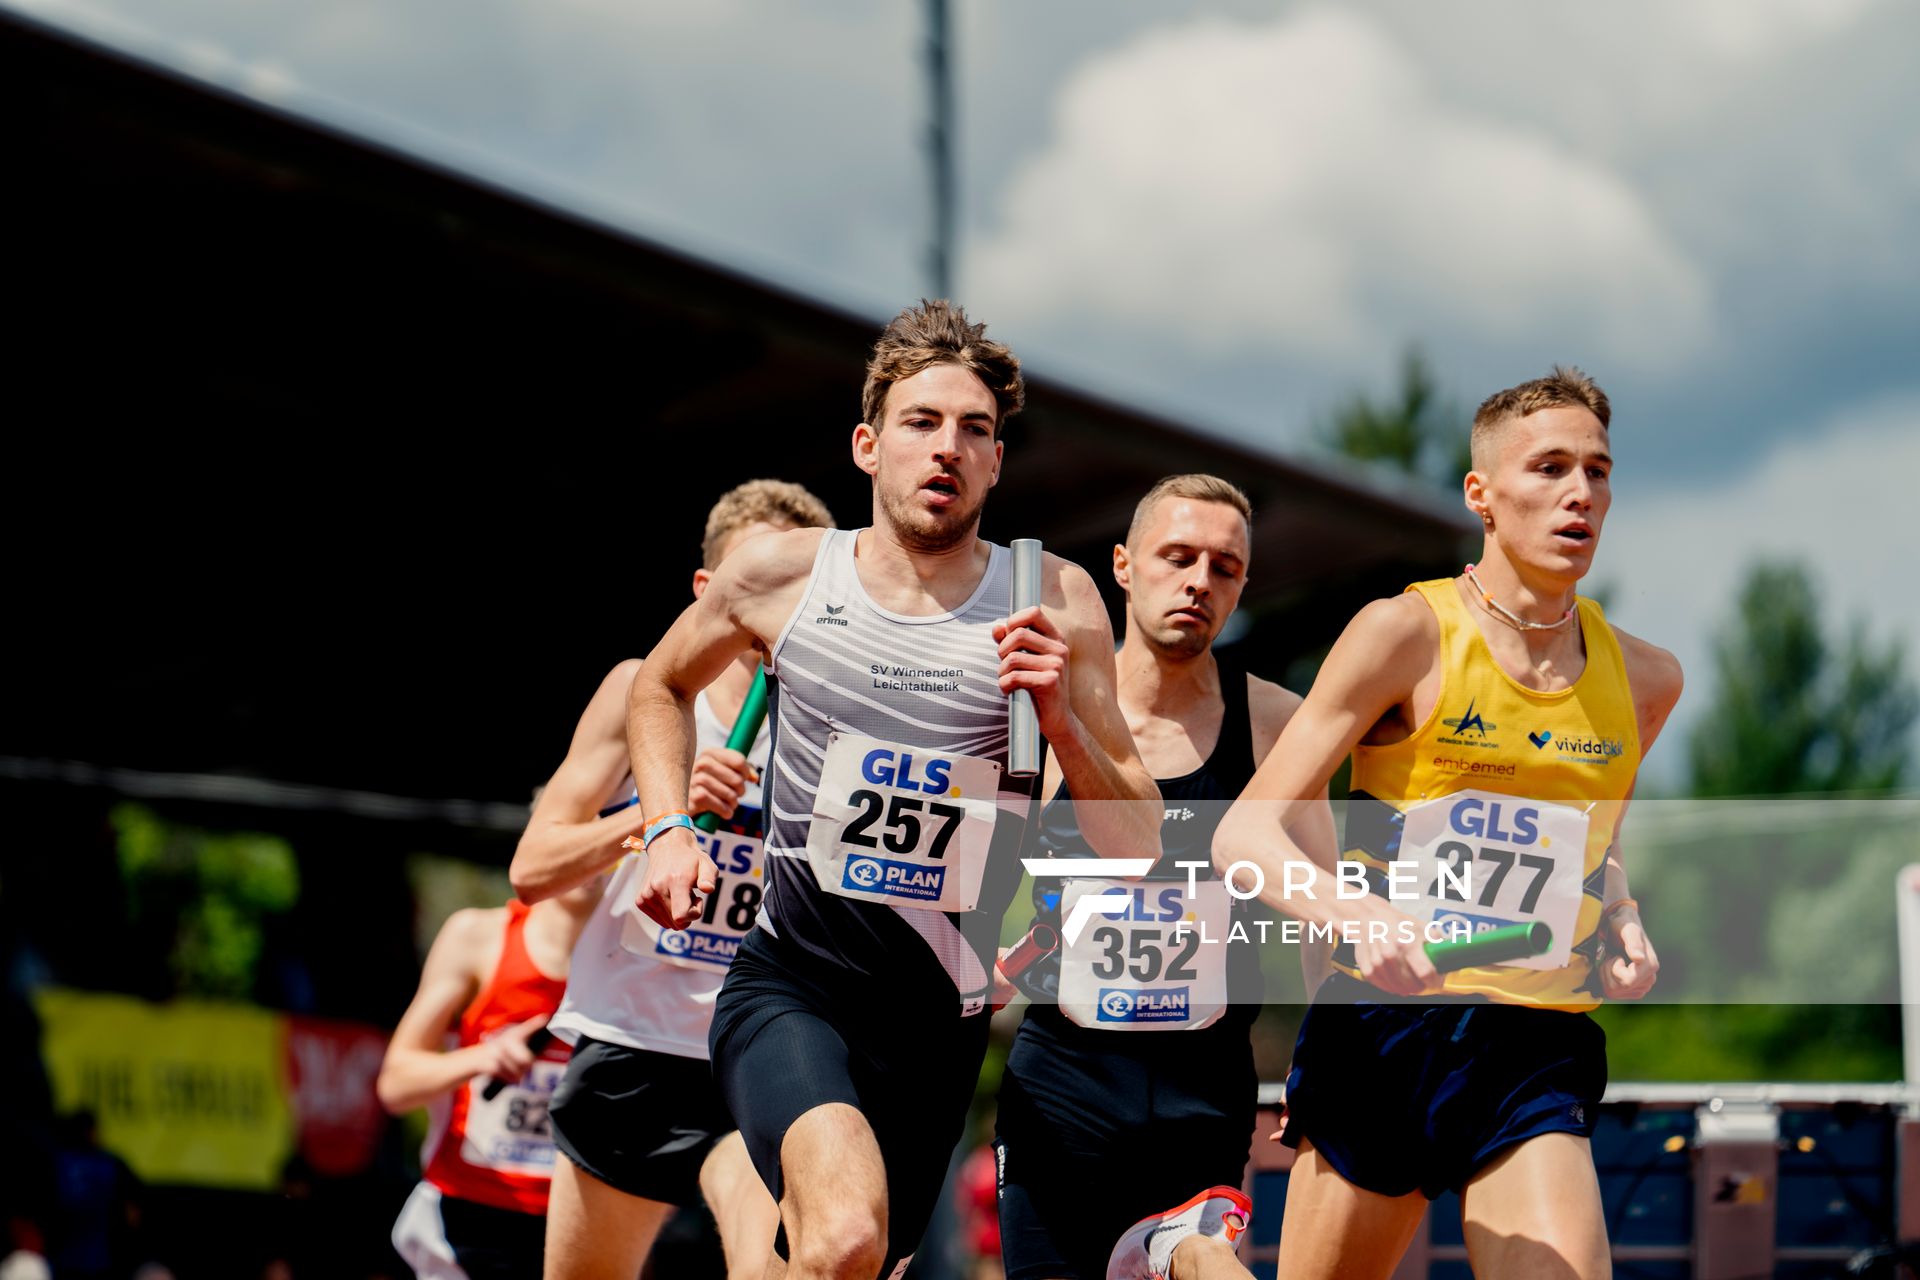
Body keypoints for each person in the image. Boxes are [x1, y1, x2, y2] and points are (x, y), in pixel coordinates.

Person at [626, 300, 1163, 1280]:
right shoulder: (781, 576)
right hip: (795, 984)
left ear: (998, 461)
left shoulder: (1055, 598)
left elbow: (1135, 841)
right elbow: (658, 685)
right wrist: (668, 826)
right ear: (870, 445)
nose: (946, 447)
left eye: (975, 429)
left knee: (850, 1265)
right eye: (922, 422)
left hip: (937, 1028)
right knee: (843, 1235)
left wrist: (1063, 723)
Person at [1214, 368, 1681, 1280]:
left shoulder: (1646, 679)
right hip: (1385, 1035)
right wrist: (1356, 917)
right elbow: (1245, 836)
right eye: (1548, 468)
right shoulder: (1404, 634)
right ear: (1483, 495)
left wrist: (1622, 918)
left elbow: (1595, 845)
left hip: (1532, 1043)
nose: (1579, 492)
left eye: (1597, 470)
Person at [995, 475, 1330, 1280]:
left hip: (1202, 1091)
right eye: (1177, 557)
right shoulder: (1047, 715)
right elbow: (981, 891)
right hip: (1062, 1085)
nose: (1199, 582)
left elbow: (1325, 905)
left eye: (1224, 566)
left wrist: (1324, 1058)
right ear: (1122, 564)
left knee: (1202, 1264)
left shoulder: (1278, 722)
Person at [508, 479, 835, 1280]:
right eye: (753, 577)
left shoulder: (838, 724)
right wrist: (661, 816)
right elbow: (531, 869)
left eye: (797, 583)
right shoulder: (637, 691)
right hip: (635, 1045)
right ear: (708, 590)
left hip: (758, 1045)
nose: (770, 600)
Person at [379, 886, 596, 1279]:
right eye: (581, 822)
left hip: (582, 1220)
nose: (595, 858)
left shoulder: (639, 958)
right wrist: (483, 1057)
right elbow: (396, 1084)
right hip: (462, 1221)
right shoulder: (478, 936)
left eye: (612, 823)